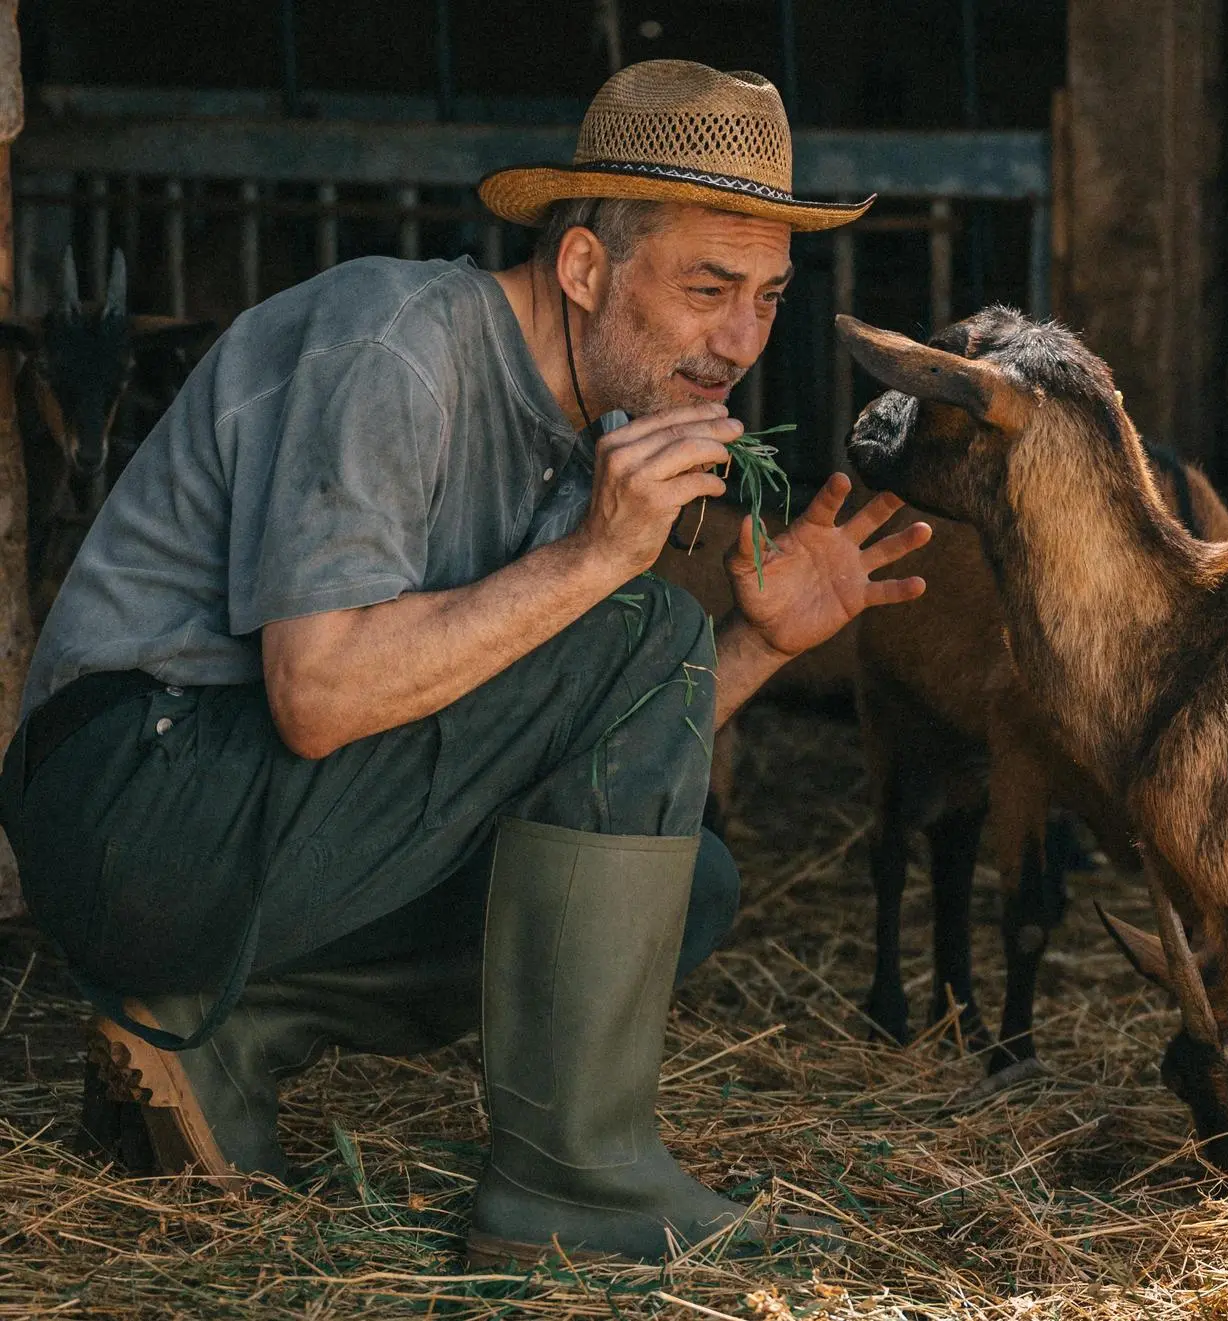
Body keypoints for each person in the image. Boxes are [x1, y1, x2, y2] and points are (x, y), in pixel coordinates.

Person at [0, 59, 930, 1263]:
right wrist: (605, 564)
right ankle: (574, 1185)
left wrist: (752, 644)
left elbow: (582, 752)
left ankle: (216, 1034)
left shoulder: (584, 424)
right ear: (586, 266)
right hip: (131, 796)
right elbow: (320, 693)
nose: (740, 340)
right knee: (640, 621)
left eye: (767, 295)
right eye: (708, 287)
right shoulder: (398, 344)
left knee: (684, 888)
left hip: (238, 834)